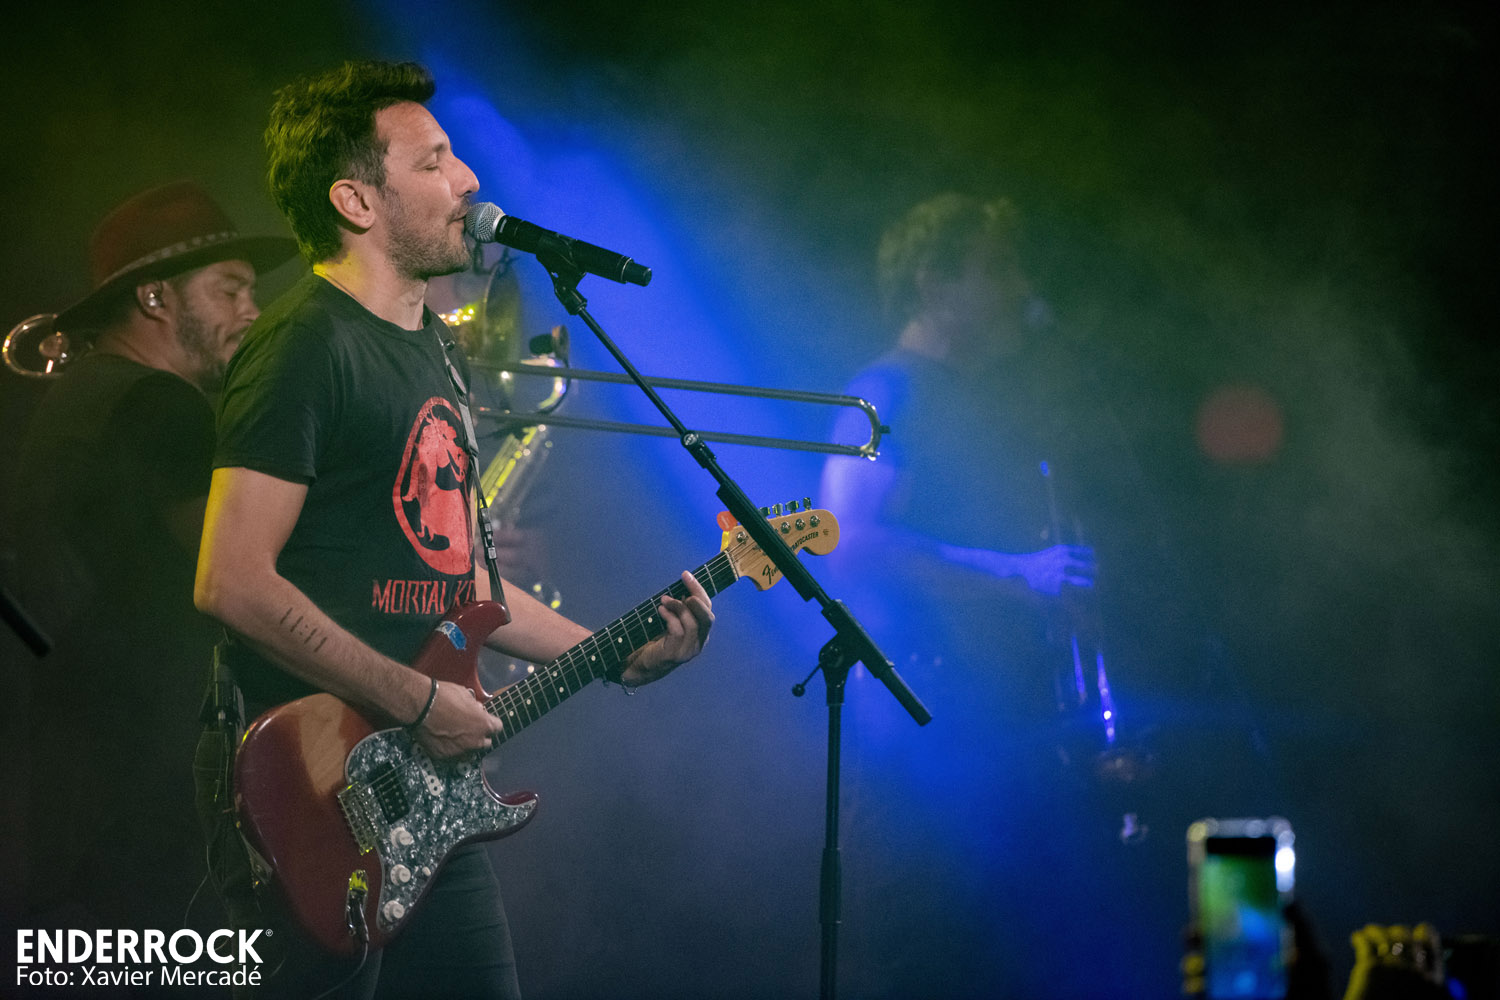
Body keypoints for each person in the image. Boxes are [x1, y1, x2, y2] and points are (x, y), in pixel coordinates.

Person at [192, 60, 713, 998]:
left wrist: (612, 652)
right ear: (356, 200)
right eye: (433, 161)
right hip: (315, 795)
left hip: (425, 803)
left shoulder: (433, 347)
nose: (468, 179)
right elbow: (230, 580)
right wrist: (417, 701)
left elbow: (465, 583)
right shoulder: (303, 346)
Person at [818, 193, 1144, 997]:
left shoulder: (982, 398)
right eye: (996, 268)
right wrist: (1017, 574)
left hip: (997, 725)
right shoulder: (888, 392)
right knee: (932, 956)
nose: (1019, 287)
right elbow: (845, 541)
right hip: (924, 733)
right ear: (934, 281)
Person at [11, 181, 296, 935]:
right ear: (154, 297)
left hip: (74, 793)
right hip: (145, 800)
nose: (253, 310)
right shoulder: (157, 405)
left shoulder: (86, 395)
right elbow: (243, 577)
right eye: (230, 289)